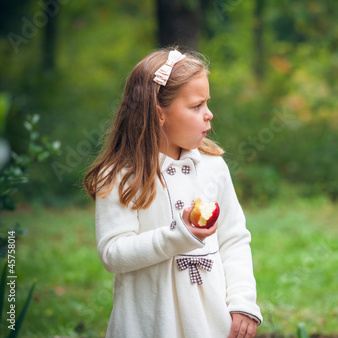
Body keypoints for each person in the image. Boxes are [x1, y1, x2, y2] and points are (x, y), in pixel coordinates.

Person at [84, 48, 262, 337]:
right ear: (159, 113)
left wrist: (242, 302)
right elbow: (113, 253)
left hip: (210, 323)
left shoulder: (213, 167)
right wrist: (177, 236)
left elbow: (234, 239)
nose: (209, 114)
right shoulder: (120, 175)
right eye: (196, 106)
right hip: (150, 323)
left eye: (207, 103)